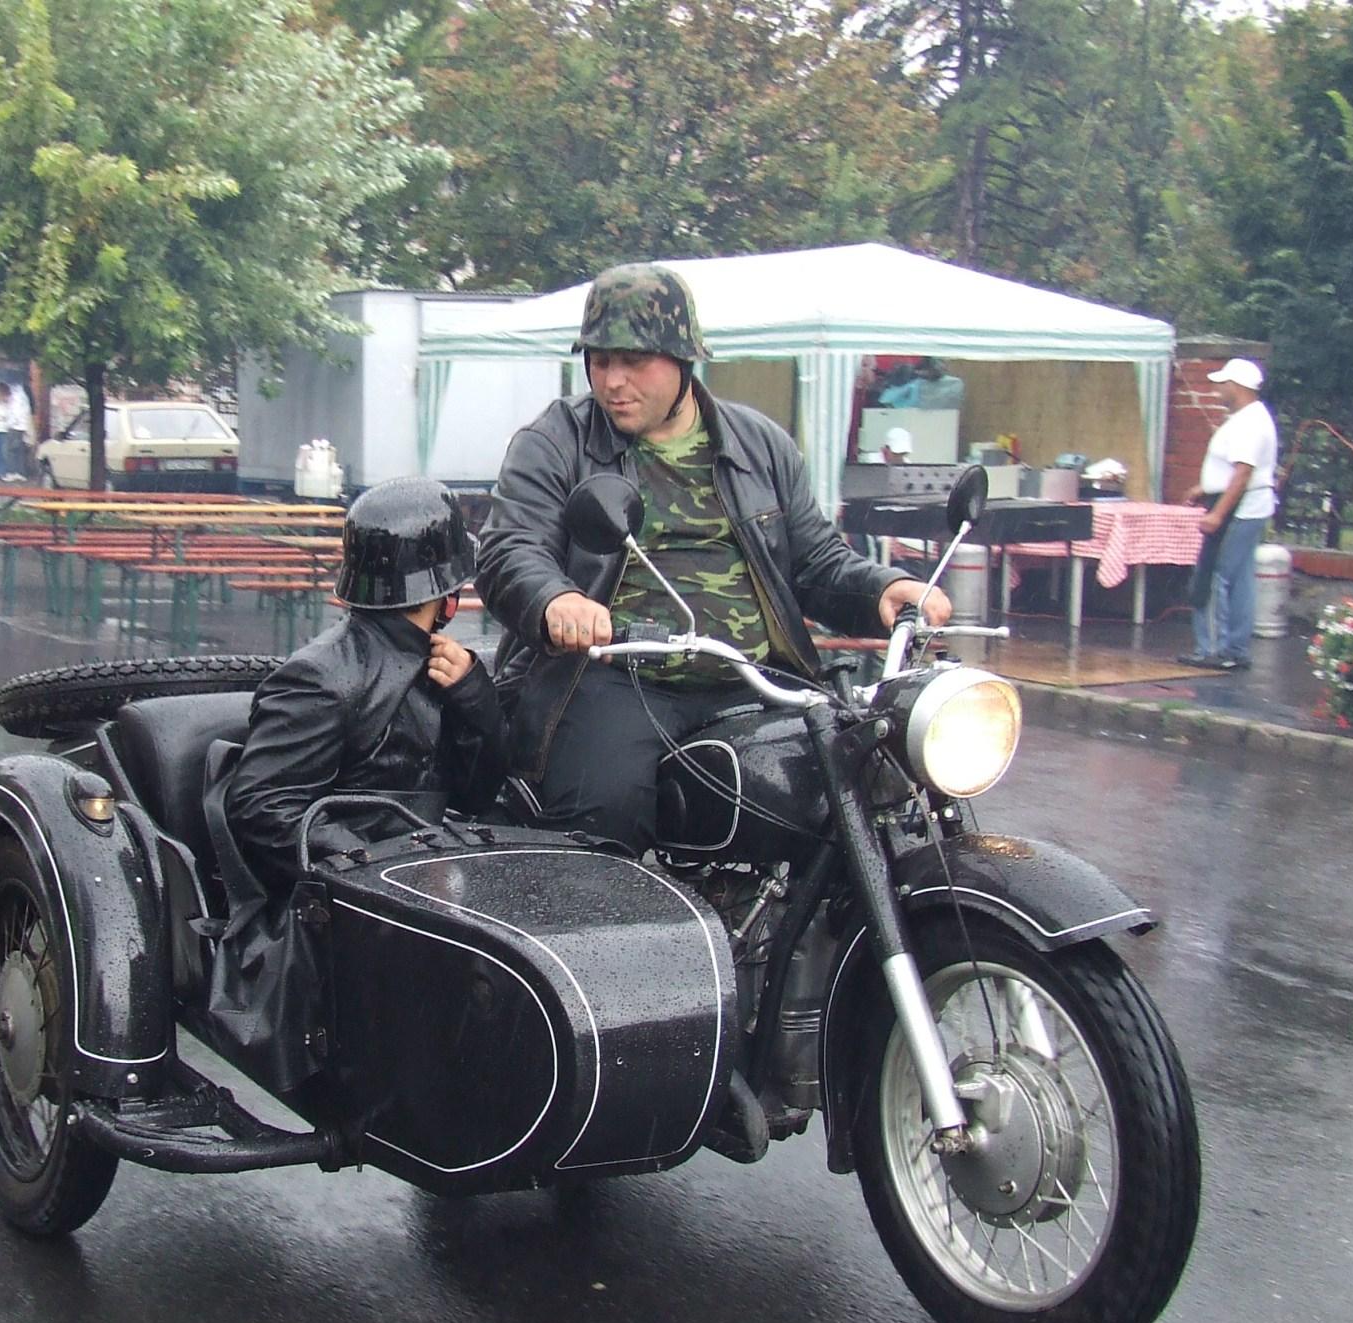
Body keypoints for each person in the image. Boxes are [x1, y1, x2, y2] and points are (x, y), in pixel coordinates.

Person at [476, 262, 945, 854]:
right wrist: (557, 599)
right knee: (600, 820)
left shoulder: (760, 445)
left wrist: (882, 588)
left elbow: (815, 561)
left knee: (850, 797)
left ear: (683, 359)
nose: (613, 381)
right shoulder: (555, 441)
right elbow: (510, 548)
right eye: (600, 360)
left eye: (634, 360)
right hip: (610, 678)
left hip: (754, 681)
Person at [222, 475, 507, 890]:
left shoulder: (445, 665)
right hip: (351, 904)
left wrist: (474, 696)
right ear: (448, 586)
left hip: (422, 880)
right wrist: (376, 866)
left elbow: (476, 796)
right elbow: (262, 808)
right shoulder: (319, 676)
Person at [1179, 356, 1277, 671]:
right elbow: (1234, 471)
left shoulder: (1249, 424)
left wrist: (1217, 514)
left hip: (1238, 508)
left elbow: (1242, 473)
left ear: (1236, 386)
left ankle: (1212, 648)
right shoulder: (1252, 418)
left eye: (1223, 383)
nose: (1218, 389)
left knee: (1213, 576)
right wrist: (1206, 487)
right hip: (1247, 505)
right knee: (1240, 579)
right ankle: (1235, 648)